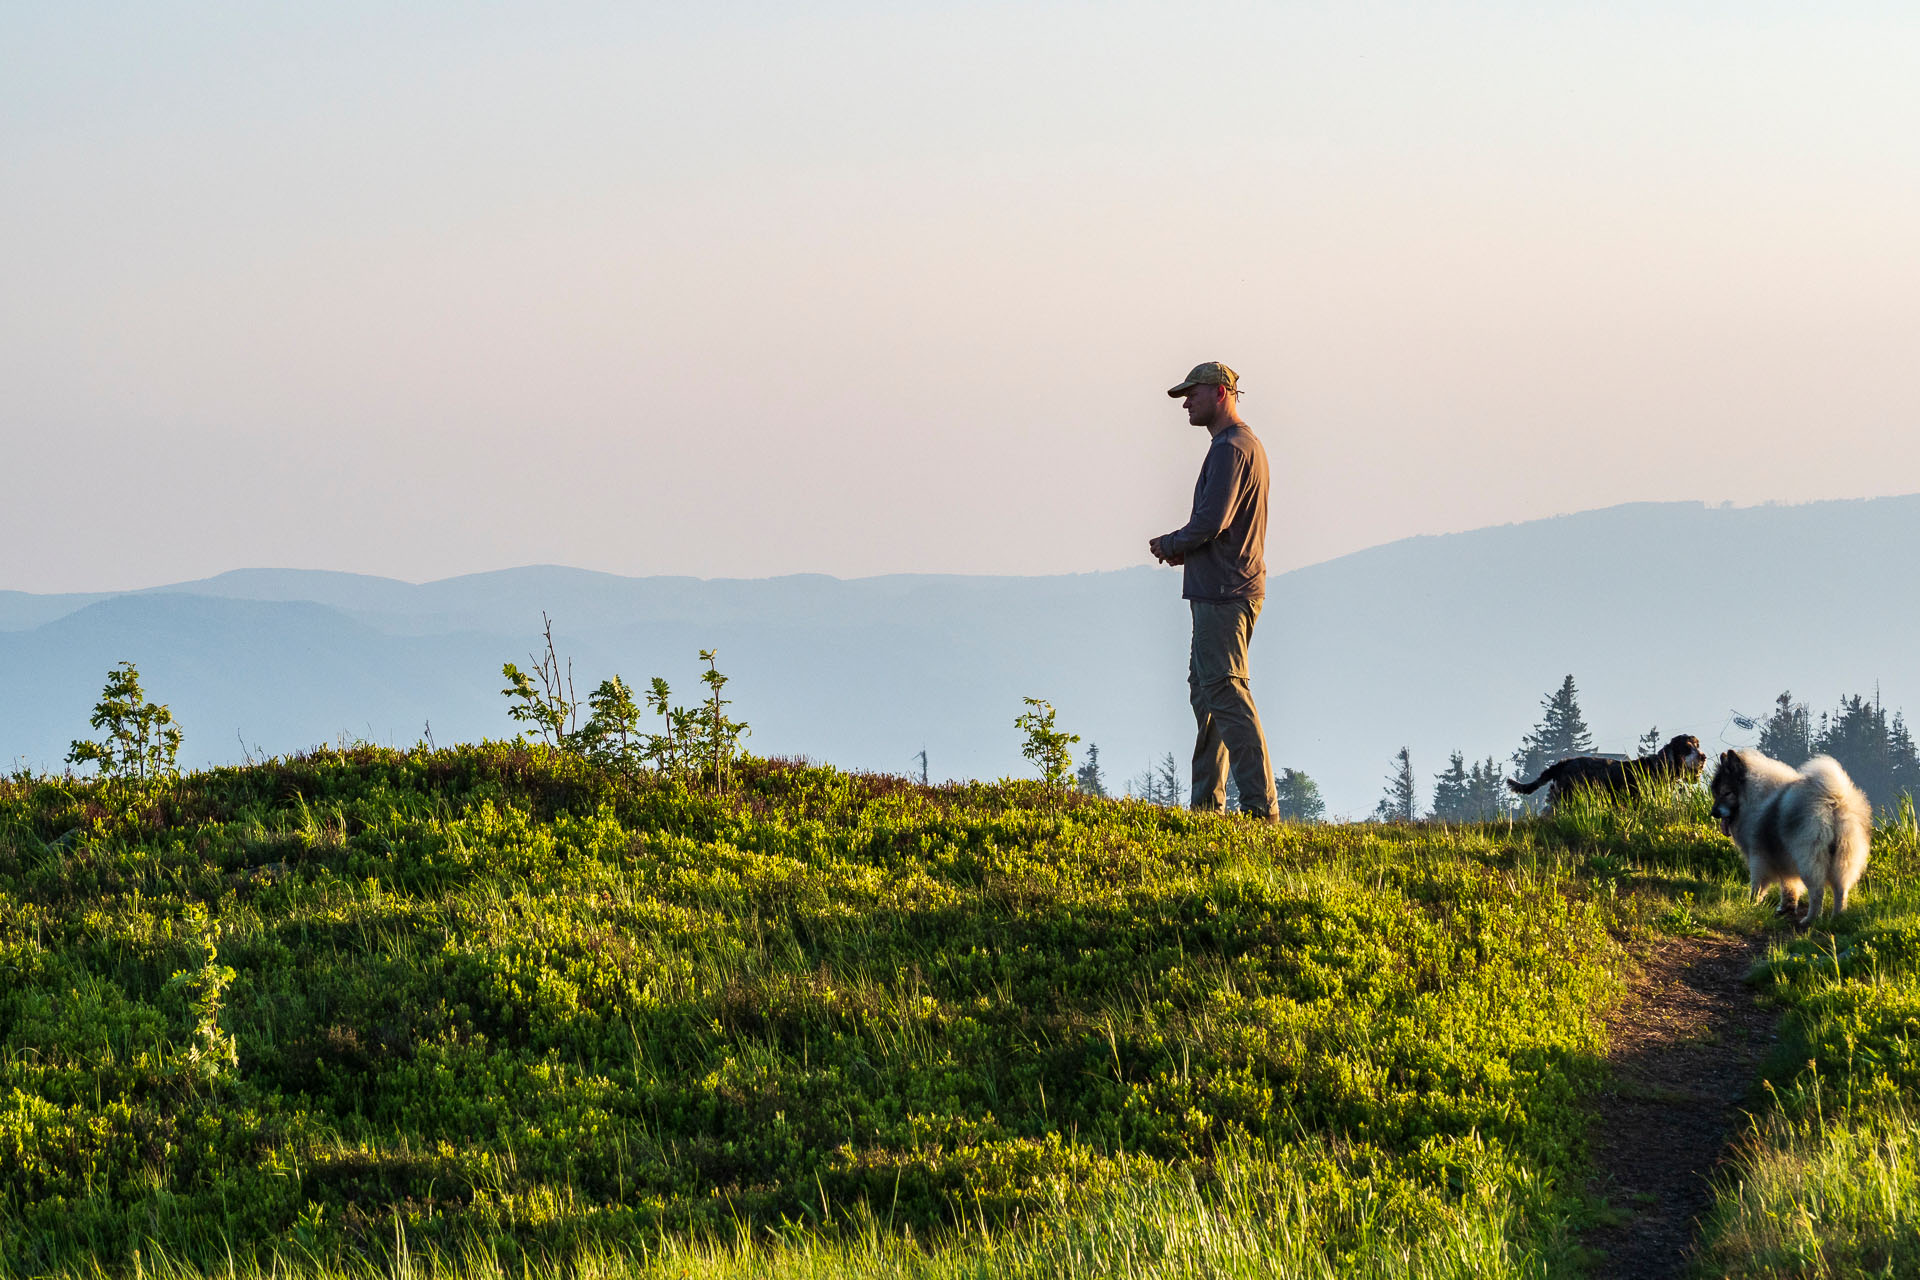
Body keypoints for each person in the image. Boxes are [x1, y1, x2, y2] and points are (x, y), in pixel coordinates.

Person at [1147, 361, 1279, 818]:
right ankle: (1206, 808)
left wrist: (1172, 544)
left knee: (1225, 693)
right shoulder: (1245, 446)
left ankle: (1261, 810)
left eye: (1193, 393)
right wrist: (1189, 550)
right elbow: (1224, 525)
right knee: (1208, 696)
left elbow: (1213, 520)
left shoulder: (1229, 449)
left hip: (1225, 592)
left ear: (1221, 393)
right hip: (1225, 587)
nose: (1186, 402)